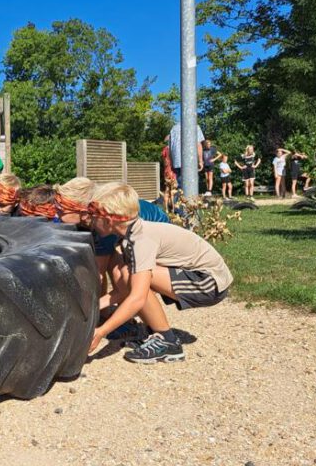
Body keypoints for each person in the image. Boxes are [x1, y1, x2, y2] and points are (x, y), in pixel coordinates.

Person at [87, 183, 233, 364]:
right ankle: (156, 333)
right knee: (129, 276)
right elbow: (124, 291)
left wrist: (101, 332)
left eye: (94, 215)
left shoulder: (141, 240)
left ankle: (167, 341)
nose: (90, 220)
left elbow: (137, 297)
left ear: (109, 220)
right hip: (200, 276)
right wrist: (91, 307)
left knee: (134, 278)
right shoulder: (131, 235)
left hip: (210, 283)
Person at [168, 123, 205, 190]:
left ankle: (180, 199)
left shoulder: (173, 128)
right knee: (191, 187)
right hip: (190, 161)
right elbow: (198, 144)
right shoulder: (195, 126)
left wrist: (171, 163)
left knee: (180, 187)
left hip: (177, 162)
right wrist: (200, 161)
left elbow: (170, 148)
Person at [160, 135, 176, 210]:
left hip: (166, 171)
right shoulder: (174, 149)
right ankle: (173, 209)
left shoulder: (165, 149)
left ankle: (166, 209)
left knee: (167, 190)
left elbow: (163, 159)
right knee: (172, 191)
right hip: (173, 171)